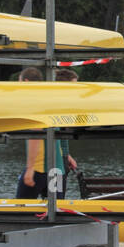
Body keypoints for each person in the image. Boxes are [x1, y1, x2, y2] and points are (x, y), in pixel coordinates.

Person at [16, 67, 78, 199]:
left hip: (40, 169)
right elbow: (57, 133)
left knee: (21, 209)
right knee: (55, 210)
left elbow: (35, 136)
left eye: (19, 81)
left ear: (26, 82)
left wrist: (30, 168)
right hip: (56, 170)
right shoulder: (53, 103)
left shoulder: (36, 103)